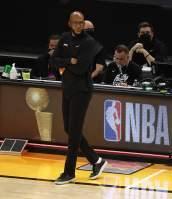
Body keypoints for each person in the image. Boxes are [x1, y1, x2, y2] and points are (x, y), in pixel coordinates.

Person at [50, 11, 108, 185]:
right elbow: (53, 60)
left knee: (73, 132)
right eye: (75, 23)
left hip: (81, 90)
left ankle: (69, 173)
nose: (78, 25)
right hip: (67, 88)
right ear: (69, 24)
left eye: (81, 22)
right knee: (69, 129)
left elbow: (82, 68)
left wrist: (65, 63)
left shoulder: (89, 42)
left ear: (84, 24)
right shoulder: (65, 37)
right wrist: (70, 61)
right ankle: (97, 161)